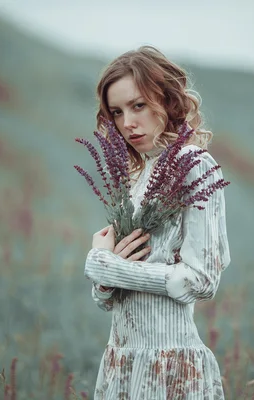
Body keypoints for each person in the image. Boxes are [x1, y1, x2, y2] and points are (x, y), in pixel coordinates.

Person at [83, 45, 231, 399]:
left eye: (138, 105)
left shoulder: (193, 165)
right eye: (116, 112)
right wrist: (106, 276)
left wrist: (104, 265)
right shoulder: (134, 176)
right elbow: (107, 297)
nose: (128, 123)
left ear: (166, 100)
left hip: (170, 367)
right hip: (123, 362)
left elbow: (201, 279)